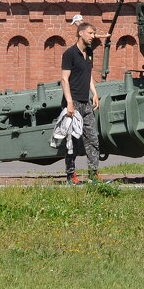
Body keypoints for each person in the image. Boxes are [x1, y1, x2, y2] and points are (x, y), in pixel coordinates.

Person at [60, 21, 100, 184]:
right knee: (72, 142)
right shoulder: (69, 53)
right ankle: (71, 176)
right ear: (81, 33)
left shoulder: (89, 52)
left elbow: (88, 74)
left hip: (86, 103)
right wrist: (69, 102)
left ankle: (94, 174)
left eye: (94, 33)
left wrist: (95, 93)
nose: (93, 36)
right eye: (91, 33)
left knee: (93, 139)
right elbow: (64, 79)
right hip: (73, 103)